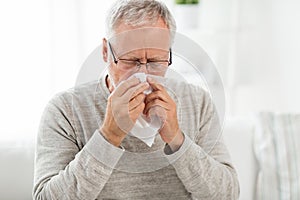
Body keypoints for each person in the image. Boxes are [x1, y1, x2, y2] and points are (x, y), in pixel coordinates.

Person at [33, 0, 239, 199]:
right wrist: (109, 135)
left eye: (156, 61)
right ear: (106, 52)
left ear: (169, 54)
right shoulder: (64, 110)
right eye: (130, 61)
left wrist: (177, 139)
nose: (143, 73)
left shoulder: (198, 102)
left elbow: (226, 194)